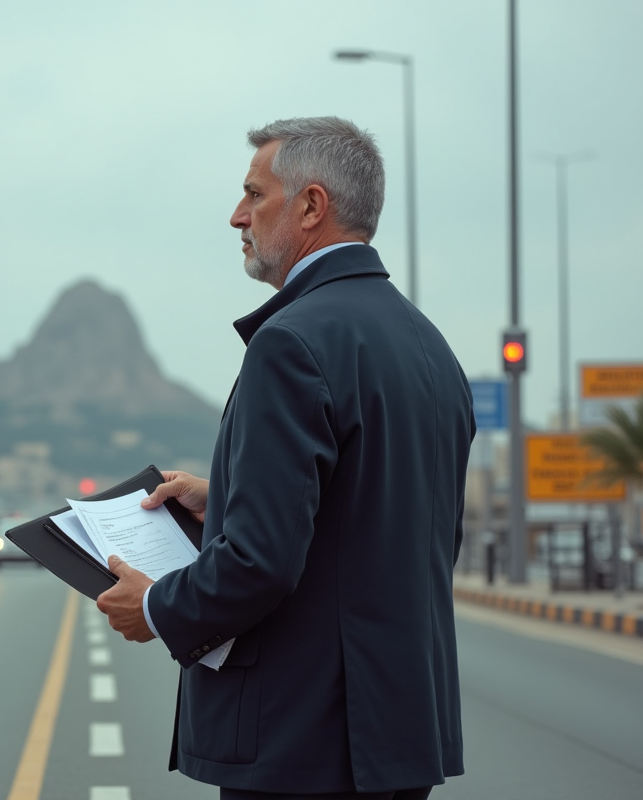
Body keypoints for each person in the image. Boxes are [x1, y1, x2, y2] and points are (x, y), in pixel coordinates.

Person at [96, 116, 474, 800]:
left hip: (303, 740)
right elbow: (400, 525)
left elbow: (260, 564)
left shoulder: (291, 342)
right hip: (396, 736)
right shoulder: (429, 347)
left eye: (254, 194)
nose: (236, 216)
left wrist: (156, 609)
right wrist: (231, 494)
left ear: (311, 206)